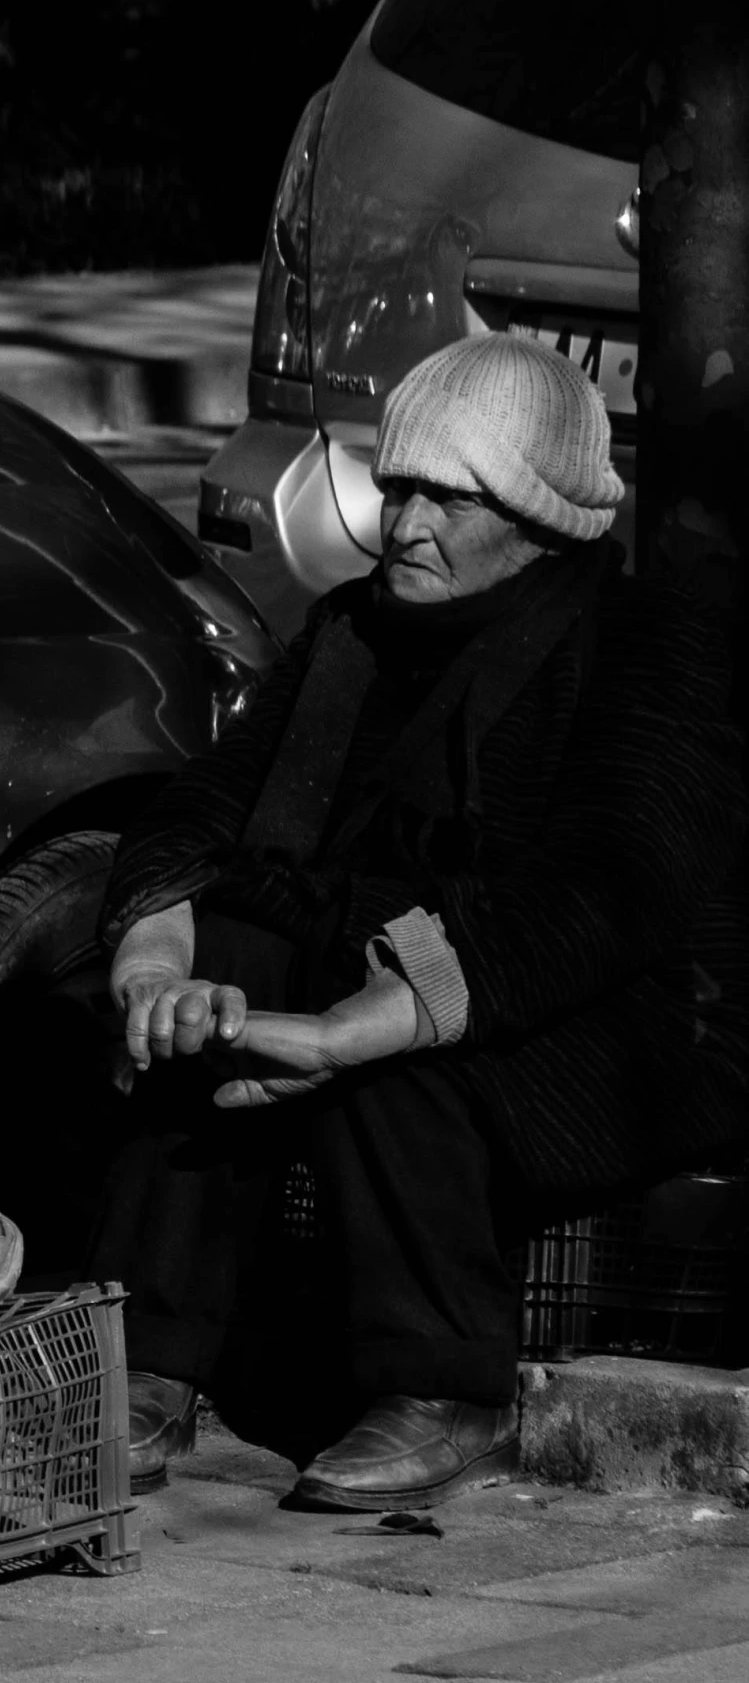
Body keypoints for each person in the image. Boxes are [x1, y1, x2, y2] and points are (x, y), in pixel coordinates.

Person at [90, 332, 749, 1509]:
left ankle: (443, 1380)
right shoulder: (350, 630)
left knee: (412, 1045)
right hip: (392, 936)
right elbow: (205, 801)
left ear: (537, 514)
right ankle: (154, 1356)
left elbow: (606, 892)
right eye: (396, 488)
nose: (404, 524)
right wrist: (156, 957)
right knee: (215, 974)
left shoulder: (651, 644)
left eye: (448, 497)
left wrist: (362, 1024)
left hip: (627, 1009)